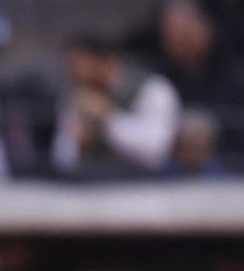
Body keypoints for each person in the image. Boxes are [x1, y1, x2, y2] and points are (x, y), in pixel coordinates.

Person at [50, 35, 181, 179]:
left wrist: (108, 117)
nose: (75, 74)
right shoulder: (75, 94)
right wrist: (80, 144)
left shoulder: (154, 89)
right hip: (92, 187)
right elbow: (62, 160)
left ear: (107, 62)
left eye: (81, 65)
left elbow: (155, 153)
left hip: (146, 187)